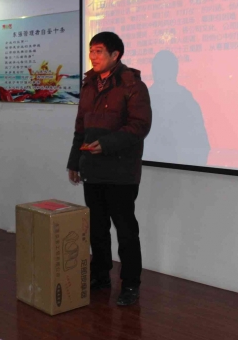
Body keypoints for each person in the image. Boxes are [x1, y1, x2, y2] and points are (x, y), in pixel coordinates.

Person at [67, 31, 152, 306]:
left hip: (121, 172)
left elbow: (139, 126)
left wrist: (106, 144)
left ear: (116, 55)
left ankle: (130, 284)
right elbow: (81, 127)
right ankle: (100, 276)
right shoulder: (89, 84)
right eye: (91, 51)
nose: (93, 56)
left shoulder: (132, 85)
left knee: (126, 230)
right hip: (92, 168)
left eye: (99, 51)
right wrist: (74, 162)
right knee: (97, 228)